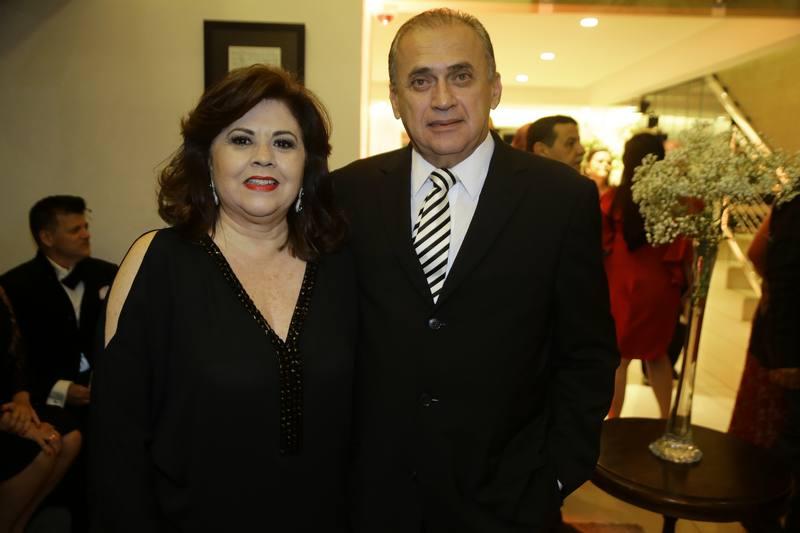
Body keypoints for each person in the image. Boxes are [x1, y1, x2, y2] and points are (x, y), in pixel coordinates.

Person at [333, 9, 618, 531]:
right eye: (421, 81)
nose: (442, 99)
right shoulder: (348, 192)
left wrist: (557, 472)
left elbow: (587, 351)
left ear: (494, 88)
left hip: (508, 499)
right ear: (396, 99)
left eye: (461, 76)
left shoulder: (561, 199)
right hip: (376, 497)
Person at [89, 64, 355, 532]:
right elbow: (116, 444)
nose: (264, 158)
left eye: (284, 143)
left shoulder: (342, 267)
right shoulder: (157, 264)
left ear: (307, 165)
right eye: (241, 139)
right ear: (207, 159)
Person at [0, 195, 117, 530]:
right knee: (70, 435)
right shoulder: (15, 285)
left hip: (103, 391)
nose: (86, 234)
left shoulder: (109, 274)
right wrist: (63, 390)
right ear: (47, 237)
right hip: (44, 394)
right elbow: (18, 357)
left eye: (85, 226)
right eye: (75, 229)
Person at [601, 133, 690, 419]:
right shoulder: (672, 201)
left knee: (619, 358)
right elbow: (684, 243)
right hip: (659, 285)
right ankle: (666, 419)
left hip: (621, 284)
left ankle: (613, 420)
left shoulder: (614, 199)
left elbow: (600, 242)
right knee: (657, 355)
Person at [1, 286, 82, 533]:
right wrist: (10, 423)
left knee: (70, 436)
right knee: (44, 449)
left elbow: (16, 351)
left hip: (7, 404)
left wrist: (22, 400)